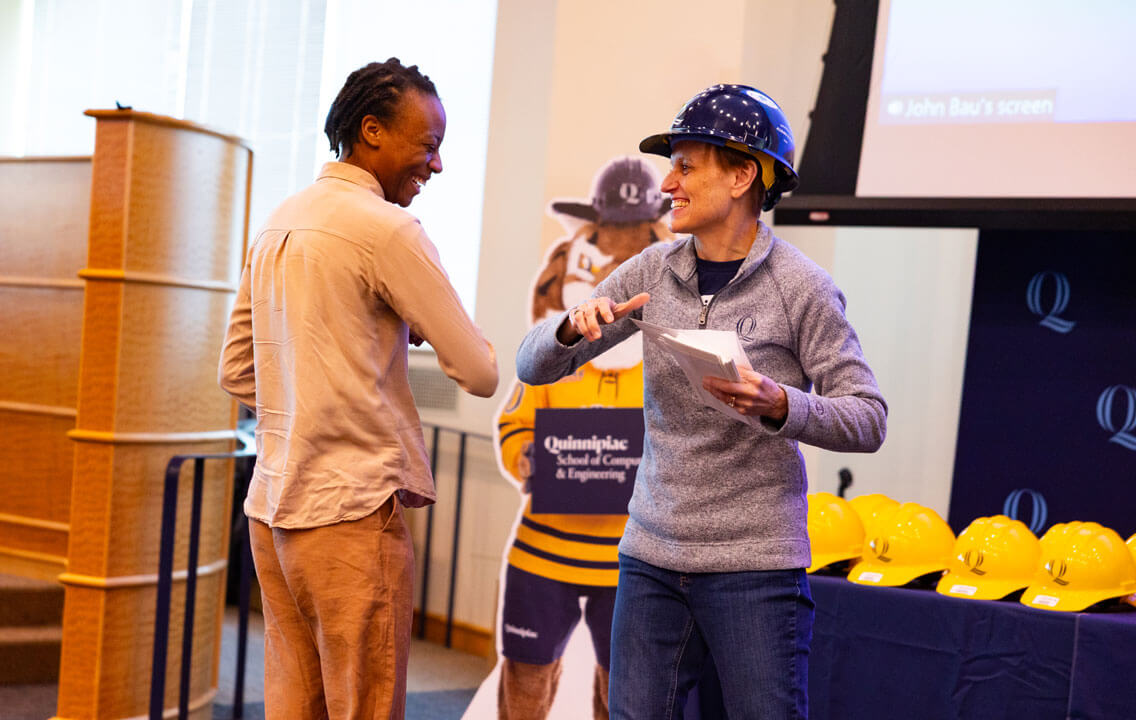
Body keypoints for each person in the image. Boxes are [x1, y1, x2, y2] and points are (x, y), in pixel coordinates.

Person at [514, 84, 887, 719]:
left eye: (686, 166)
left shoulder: (804, 288)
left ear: (744, 174)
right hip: (650, 560)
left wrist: (781, 405)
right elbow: (532, 364)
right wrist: (573, 327)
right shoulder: (651, 271)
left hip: (756, 570)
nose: (667, 184)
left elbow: (868, 417)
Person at [218, 57, 499, 720]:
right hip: (350, 515)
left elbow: (234, 371)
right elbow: (480, 372)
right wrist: (414, 326)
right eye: (427, 146)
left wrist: (316, 385)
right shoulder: (389, 231)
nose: (435, 165)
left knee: (293, 699)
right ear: (371, 131)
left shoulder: (279, 221)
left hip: (273, 512)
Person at [494, 156, 673, 720]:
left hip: (630, 561)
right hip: (541, 555)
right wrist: (524, 455)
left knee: (621, 692)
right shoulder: (550, 360)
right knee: (525, 679)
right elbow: (514, 423)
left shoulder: (667, 370)